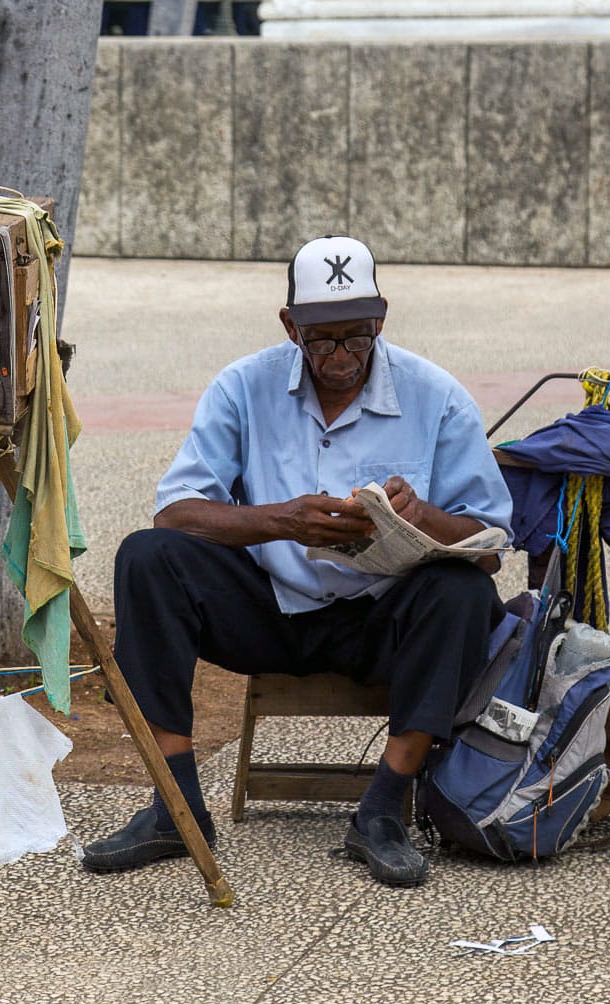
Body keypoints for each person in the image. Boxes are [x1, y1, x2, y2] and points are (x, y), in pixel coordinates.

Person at [81, 235, 513, 887]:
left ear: (381, 320)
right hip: (269, 611)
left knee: (462, 594)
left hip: (381, 623)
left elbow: (490, 543)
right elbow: (176, 511)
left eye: (357, 337)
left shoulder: (436, 396)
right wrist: (280, 520)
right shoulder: (243, 386)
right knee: (147, 558)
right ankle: (176, 806)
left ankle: (383, 810)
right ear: (291, 327)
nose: (341, 356)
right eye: (322, 340)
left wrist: (420, 517)